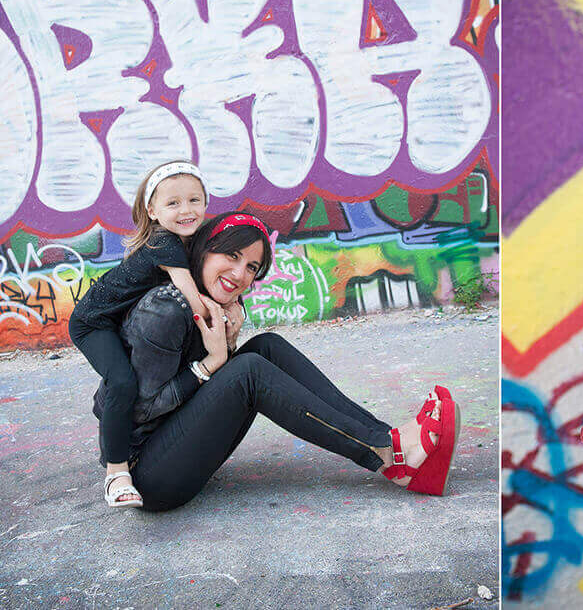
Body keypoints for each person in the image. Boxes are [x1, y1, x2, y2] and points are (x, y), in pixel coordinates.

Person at [91, 211, 460, 512]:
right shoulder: (166, 309)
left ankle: (389, 438)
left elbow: (208, 398)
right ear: (203, 250)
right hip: (145, 472)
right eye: (231, 257)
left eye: (251, 267)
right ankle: (389, 456)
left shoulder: (214, 306)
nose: (240, 275)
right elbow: (141, 410)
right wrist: (216, 360)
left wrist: (229, 344)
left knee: (266, 346)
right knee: (247, 372)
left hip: (174, 448)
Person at [70, 160, 212, 509]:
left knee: (129, 379)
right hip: (93, 322)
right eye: (173, 203)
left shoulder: (185, 242)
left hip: (120, 319)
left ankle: (112, 414)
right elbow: (191, 297)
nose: (186, 210)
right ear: (152, 210)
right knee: (123, 382)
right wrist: (219, 320)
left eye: (194, 200)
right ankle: (116, 472)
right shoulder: (165, 243)